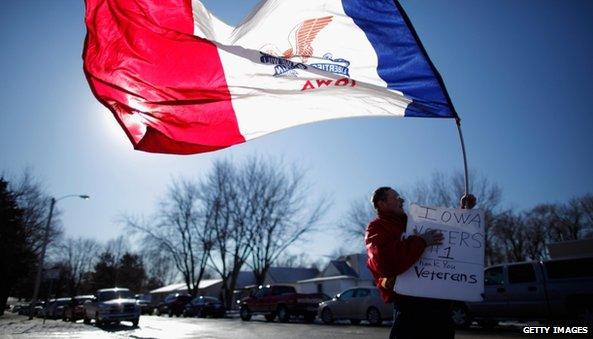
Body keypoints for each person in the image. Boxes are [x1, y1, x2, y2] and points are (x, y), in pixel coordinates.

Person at [364, 187, 476, 339]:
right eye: (396, 197)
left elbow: (448, 234)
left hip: (440, 305)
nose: (402, 200)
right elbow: (385, 261)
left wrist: (464, 213)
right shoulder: (377, 228)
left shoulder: (416, 222)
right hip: (410, 307)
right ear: (382, 204)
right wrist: (421, 241)